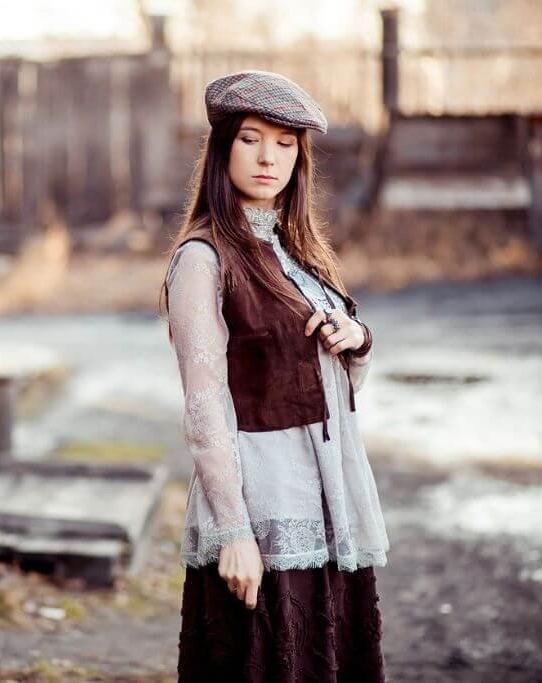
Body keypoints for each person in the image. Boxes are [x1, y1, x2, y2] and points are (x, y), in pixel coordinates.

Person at [159, 69, 390, 681]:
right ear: (222, 147)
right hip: (266, 511)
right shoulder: (203, 260)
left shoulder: (300, 252)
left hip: (330, 500)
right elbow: (205, 404)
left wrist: (357, 341)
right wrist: (234, 531)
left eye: (286, 144)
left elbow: (329, 387)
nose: (269, 157)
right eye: (252, 139)